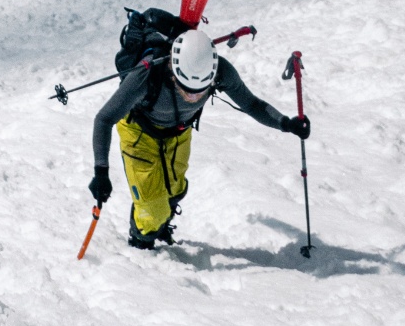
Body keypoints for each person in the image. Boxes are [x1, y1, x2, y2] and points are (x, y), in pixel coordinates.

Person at [89, 28, 310, 248]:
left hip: (178, 133)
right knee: (152, 211)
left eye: (200, 90)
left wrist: (285, 123)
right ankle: (141, 239)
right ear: (172, 69)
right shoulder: (146, 76)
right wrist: (101, 171)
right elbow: (104, 119)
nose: (193, 96)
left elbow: (251, 104)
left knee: (176, 190)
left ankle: (160, 222)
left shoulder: (221, 71)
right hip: (139, 132)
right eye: (186, 88)